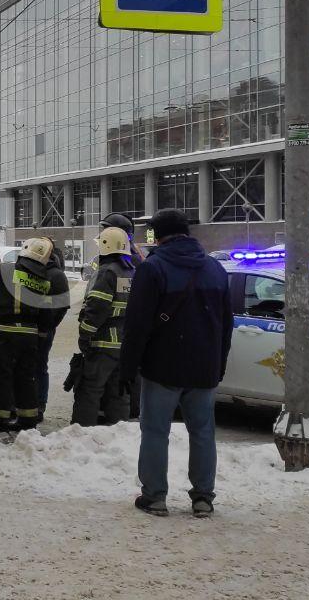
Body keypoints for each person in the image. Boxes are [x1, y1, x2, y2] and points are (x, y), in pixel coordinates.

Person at [120, 208, 233, 519]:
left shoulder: (152, 269)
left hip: (162, 367)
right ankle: (203, 499)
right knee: (203, 432)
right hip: (204, 368)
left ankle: (155, 497)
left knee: (156, 431)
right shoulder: (215, 269)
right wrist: (218, 364)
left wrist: (127, 368)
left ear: (158, 235)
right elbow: (226, 324)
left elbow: (137, 326)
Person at [0, 236, 59, 434]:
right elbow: (46, 314)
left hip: (5, 334)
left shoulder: (7, 269)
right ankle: (28, 421)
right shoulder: (42, 280)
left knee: (0, 378)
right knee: (25, 378)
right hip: (30, 336)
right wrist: (42, 336)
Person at [71, 226, 135, 426]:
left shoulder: (107, 272)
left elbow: (97, 308)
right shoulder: (132, 271)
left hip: (103, 343)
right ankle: (118, 434)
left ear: (106, 246)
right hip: (125, 344)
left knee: (89, 390)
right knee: (119, 394)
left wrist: (85, 335)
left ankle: (82, 434)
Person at [35, 240, 71, 414]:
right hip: (32, 329)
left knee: (39, 366)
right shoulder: (34, 270)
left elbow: (62, 306)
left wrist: (47, 328)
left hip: (43, 330)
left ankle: (39, 406)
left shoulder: (55, 275)